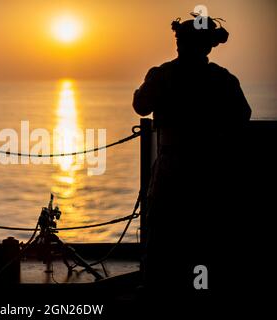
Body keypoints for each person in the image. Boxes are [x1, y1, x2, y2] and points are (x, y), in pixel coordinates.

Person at [132, 14, 251, 300]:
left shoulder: (162, 75)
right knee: (205, 234)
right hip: (210, 169)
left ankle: (158, 289)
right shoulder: (223, 79)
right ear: (208, 47)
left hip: (172, 167)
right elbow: (242, 117)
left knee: (163, 232)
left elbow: (140, 106)